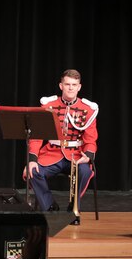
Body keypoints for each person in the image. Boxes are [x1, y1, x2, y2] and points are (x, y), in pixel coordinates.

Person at [23, 68, 98, 223]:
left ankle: (73, 208)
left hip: (76, 155)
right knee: (33, 171)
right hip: (52, 153)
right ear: (61, 86)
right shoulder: (48, 105)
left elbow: (91, 139)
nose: (71, 87)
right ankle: (50, 207)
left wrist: (88, 155)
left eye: (74, 84)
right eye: (67, 84)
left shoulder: (88, 109)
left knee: (85, 171)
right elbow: (36, 136)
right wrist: (32, 159)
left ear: (79, 87)